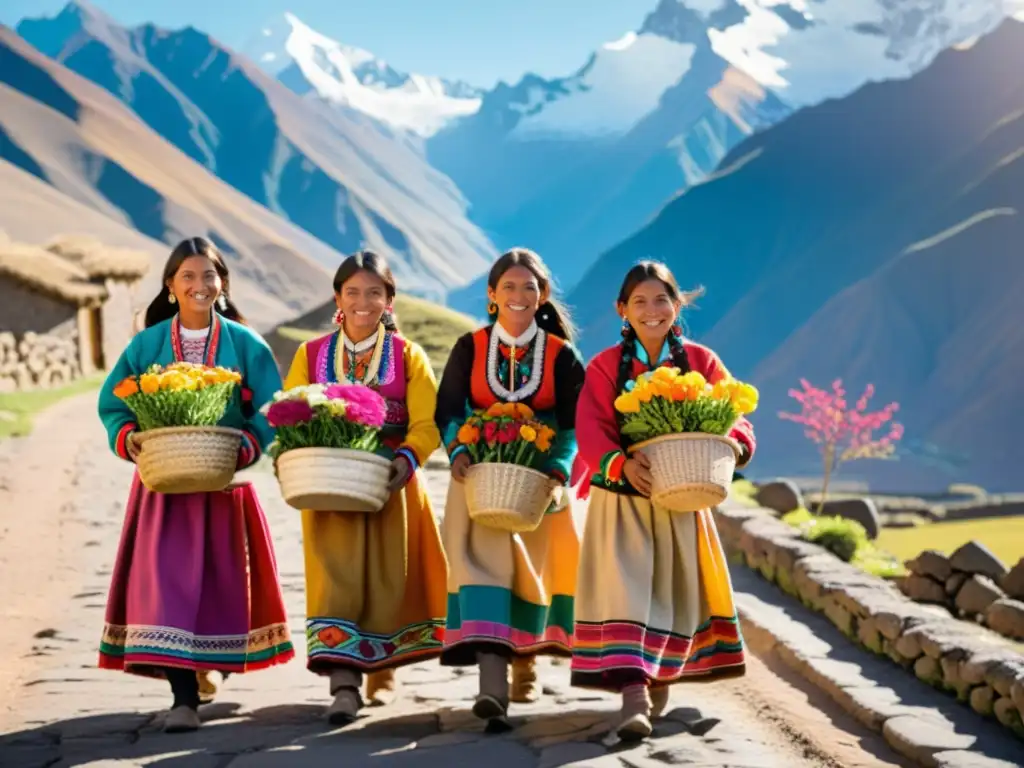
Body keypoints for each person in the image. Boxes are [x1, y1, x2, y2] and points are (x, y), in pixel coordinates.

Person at [97, 236, 294, 733]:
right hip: (163, 493)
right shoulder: (145, 345)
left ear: (222, 283)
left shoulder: (247, 345)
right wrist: (129, 437)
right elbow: (114, 404)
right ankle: (183, 697)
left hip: (221, 487)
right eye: (188, 276)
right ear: (170, 285)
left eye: (209, 276)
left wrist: (248, 444)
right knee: (167, 588)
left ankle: (213, 667)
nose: (199, 285)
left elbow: (271, 409)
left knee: (219, 588)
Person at [569, 260, 756, 742]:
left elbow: (735, 415)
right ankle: (634, 696)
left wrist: (734, 443)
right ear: (621, 310)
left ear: (677, 305)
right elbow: (590, 428)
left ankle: (657, 687)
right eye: (640, 302)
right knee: (627, 596)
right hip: (621, 505)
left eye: (661, 300)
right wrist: (619, 463)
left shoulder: (702, 361)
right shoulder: (605, 367)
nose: (652, 311)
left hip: (680, 504)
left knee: (670, 600)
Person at [282, 251, 448, 725]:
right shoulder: (310, 355)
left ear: (389, 300)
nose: (362, 301)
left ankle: (384, 670)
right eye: (352, 292)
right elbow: (290, 412)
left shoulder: (409, 356)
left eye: (374, 292)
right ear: (337, 298)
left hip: (391, 489)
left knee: (386, 584)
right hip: (329, 490)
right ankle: (344, 686)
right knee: (336, 584)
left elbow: (426, 422)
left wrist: (406, 457)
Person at [435, 247, 586, 726]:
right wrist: (458, 451)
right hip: (478, 482)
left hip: (541, 486)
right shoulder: (470, 347)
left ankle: (527, 662)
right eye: (509, 287)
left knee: (532, 578)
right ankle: (492, 689)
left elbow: (571, 425)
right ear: (492, 295)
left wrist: (559, 472)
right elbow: (449, 411)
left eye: (529, 287)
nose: (519, 296)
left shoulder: (562, 356)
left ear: (542, 296)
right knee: (484, 573)